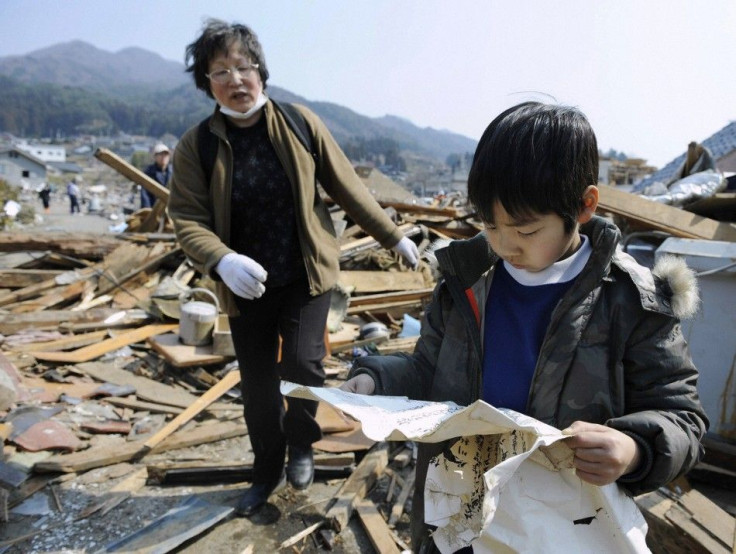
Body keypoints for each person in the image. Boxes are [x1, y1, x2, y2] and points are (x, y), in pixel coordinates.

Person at [341, 101, 708, 552]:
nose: (503, 244)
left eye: (526, 230)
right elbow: (427, 373)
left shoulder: (632, 301)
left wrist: (635, 450)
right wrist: (374, 380)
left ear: (584, 206)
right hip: (459, 516)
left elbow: (682, 418)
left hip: (564, 528)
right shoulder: (466, 282)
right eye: (489, 224)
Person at [168, 19, 419, 518]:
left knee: (303, 367)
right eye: (221, 71)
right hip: (244, 286)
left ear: (260, 71)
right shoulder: (198, 146)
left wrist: (392, 237)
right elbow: (186, 219)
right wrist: (222, 259)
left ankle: (301, 444)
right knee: (259, 387)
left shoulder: (299, 123)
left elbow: (348, 186)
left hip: (304, 276)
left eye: (244, 66)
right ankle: (265, 469)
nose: (235, 79)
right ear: (206, 84)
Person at [141, 143, 172, 208]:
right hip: (154, 207)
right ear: (155, 156)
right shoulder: (149, 172)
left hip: (169, 209)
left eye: (166, 154)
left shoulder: (173, 173)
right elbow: (145, 194)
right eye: (161, 154)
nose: (163, 157)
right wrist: (148, 212)